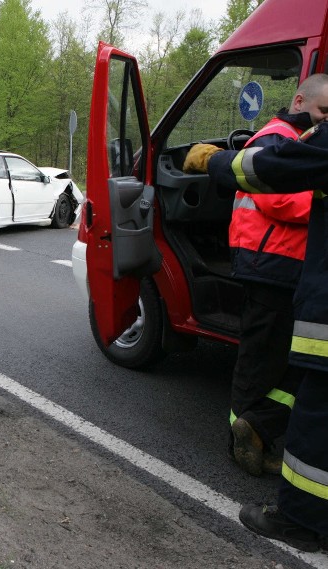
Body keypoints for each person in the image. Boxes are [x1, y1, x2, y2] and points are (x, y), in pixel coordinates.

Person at [183, 73, 328, 552]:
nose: (325, 121)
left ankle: (258, 430)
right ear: (300, 100)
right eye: (323, 112)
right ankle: (243, 438)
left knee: (288, 366)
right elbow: (278, 194)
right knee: (262, 358)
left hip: (289, 265)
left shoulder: (304, 141)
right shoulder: (278, 137)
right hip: (271, 263)